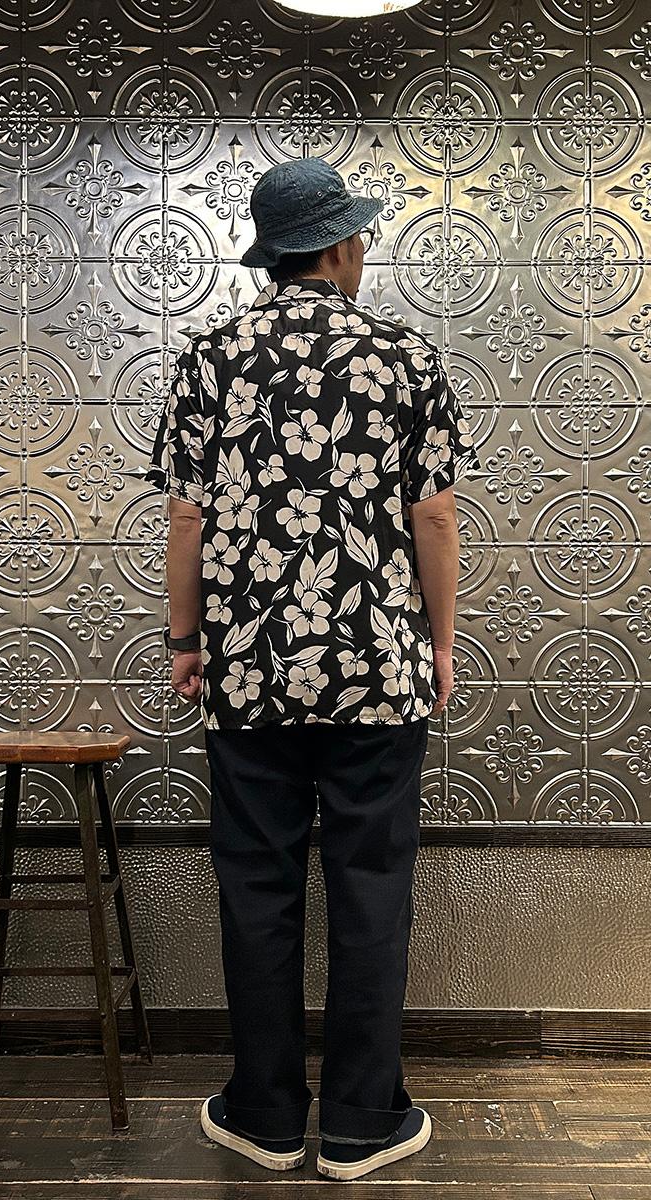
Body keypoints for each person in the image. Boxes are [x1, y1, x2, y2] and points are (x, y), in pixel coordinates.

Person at [143, 155, 480, 1182]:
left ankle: (265, 1116)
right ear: (336, 248)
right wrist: (439, 645)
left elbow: (188, 517)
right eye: (359, 237)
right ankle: (364, 1123)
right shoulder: (405, 357)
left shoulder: (209, 357)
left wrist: (187, 642)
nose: (363, 252)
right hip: (379, 668)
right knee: (372, 886)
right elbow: (434, 517)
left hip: (250, 673)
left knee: (257, 887)